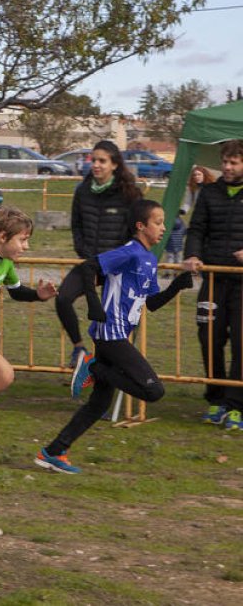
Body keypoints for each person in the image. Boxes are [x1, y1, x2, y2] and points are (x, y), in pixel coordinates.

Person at [36, 200, 195, 472]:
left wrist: (178, 284)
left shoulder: (149, 259)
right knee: (153, 390)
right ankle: (93, 367)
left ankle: (53, 451)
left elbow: (153, 302)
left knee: (98, 404)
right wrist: (94, 305)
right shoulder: (129, 252)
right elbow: (88, 268)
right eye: (157, 222)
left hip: (120, 334)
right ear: (141, 226)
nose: (163, 228)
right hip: (111, 333)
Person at [55, 141, 142, 373]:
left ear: (114, 164)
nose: (95, 165)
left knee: (107, 324)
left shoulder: (129, 193)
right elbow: (76, 225)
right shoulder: (83, 190)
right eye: (93, 160)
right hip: (91, 263)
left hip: (118, 268)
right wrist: (83, 250)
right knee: (63, 298)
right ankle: (79, 349)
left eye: (102, 160)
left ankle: (107, 372)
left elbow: (138, 231)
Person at [182, 139, 243, 430]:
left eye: (234, 163)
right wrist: (192, 253)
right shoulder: (209, 192)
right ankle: (216, 399)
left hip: (242, 283)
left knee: (242, 344)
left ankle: (236, 406)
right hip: (214, 279)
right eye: (225, 162)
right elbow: (196, 229)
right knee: (209, 337)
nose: (228, 167)